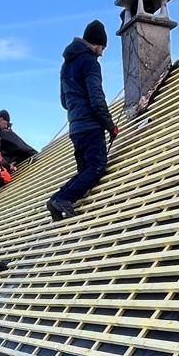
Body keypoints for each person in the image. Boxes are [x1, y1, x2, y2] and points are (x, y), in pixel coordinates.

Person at [47, 20, 117, 221]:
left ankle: (56, 199)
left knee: (84, 170)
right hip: (90, 126)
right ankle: (62, 198)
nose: (102, 53)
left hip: (75, 128)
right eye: (102, 47)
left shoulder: (66, 65)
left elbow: (64, 101)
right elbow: (97, 98)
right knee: (96, 167)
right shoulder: (90, 62)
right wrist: (110, 126)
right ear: (96, 43)